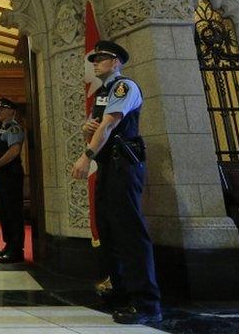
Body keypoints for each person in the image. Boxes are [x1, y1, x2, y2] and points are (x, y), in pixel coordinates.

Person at [71, 40, 162, 324]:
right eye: (94, 58)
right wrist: (87, 131)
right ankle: (121, 292)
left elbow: (110, 125)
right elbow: (98, 130)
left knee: (131, 232)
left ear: (116, 62)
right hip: (109, 165)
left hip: (125, 165)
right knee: (110, 230)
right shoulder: (102, 93)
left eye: (101, 58)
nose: (95, 62)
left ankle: (147, 303)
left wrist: (85, 156)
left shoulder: (123, 87)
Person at [0, 97, 26, 264]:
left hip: (11, 174)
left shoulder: (14, 129)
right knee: (5, 212)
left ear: (12, 111)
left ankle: (17, 250)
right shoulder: (2, 130)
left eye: (2, 108)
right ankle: (9, 244)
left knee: (13, 212)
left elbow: (15, 150)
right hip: (3, 176)